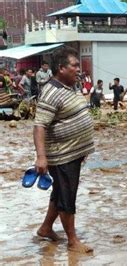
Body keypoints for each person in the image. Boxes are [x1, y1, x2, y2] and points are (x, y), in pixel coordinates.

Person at [34, 47, 95, 253]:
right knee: (67, 196)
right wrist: (41, 157)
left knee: (60, 192)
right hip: (62, 155)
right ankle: (72, 241)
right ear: (61, 68)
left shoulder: (69, 86)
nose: (79, 69)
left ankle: (45, 228)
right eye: (74, 65)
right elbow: (39, 126)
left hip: (73, 152)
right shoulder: (51, 92)